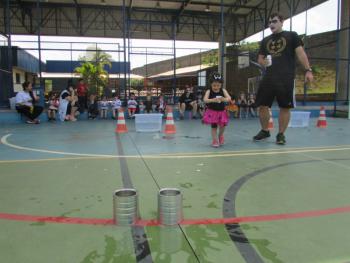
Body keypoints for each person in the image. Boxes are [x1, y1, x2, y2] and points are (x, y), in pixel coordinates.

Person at [253, 12, 313, 145]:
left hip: (286, 78)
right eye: (269, 22)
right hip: (268, 78)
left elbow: (300, 53)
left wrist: (308, 70)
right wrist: (264, 63)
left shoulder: (292, 36)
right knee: (262, 106)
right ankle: (264, 130)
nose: (271, 24)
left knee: (285, 107)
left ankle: (280, 134)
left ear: (281, 21)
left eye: (274, 21)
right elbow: (260, 59)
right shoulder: (266, 40)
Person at [202, 72, 231, 147]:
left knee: (223, 126)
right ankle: (215, 140)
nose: (216, 87)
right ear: (211, 84)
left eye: (218, 85)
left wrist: (224, 99)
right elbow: (205, 100)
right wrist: (212, 100)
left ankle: (220, 136)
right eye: (214, 85)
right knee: (214, 127)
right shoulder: (209, 91)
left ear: (221, 84)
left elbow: (229, 98)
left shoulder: (223, 90)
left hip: (222, 112)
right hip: (212, 112)